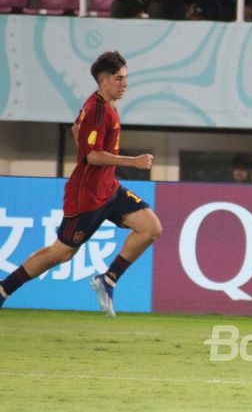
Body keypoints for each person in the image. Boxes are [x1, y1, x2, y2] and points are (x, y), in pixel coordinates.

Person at [0, 51, 162, 317]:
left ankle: (108, 280)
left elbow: (77, 131)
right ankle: (4, 289)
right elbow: (92, 155)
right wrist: (133, 161)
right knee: (61, 253)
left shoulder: (105, 105)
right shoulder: (99, 111)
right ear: (103, 80)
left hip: (108, 188)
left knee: (151, 228)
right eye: (119, 78)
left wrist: (93, 158)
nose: (125, 84)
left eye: (126, 78)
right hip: (86, 197)